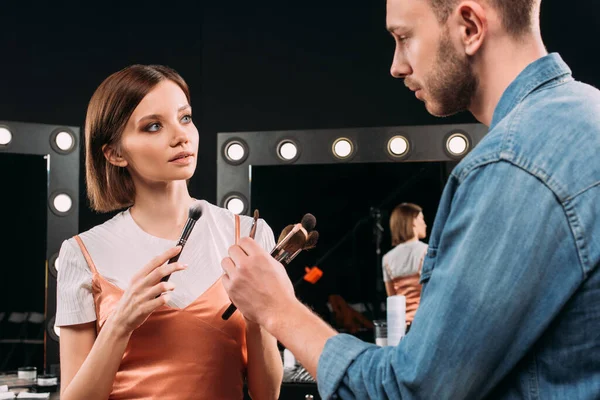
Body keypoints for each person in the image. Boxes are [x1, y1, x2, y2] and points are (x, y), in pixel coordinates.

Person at [219, 0, 600, 398]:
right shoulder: (587, 114)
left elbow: (410, 391)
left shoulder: (512, 166)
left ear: (469, 27)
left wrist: (279, 309)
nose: (396, 66)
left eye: (403, 38)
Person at [56, 65, 283, 400]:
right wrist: (120, 325)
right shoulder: (82, 253)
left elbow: (268, 395)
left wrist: (257, 318)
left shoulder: (249, 236)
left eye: (185, 118)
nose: (181, 136)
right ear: (116, 153)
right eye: (153, 126)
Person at [382, 203, 428, 327]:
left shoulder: (386, 259)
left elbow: (392, 298)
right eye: (421, 219)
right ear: (413, 221)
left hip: (401, 326)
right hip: (425, 321)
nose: (425, 224)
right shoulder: (426, 252)